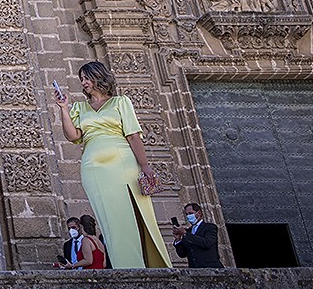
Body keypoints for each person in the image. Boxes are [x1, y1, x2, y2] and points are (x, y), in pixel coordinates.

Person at [53, 62, 171, 268]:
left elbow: (133, 136)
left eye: (87, 77)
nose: (84, 82)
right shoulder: (80, 108)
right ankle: (126, 266)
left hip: (123, 164)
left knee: (136, 215)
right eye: (81, 79)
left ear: (98, 77)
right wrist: (63, 108)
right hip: (93, 168)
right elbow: (73, 136)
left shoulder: (120, 102)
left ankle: (151, 265)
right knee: (110, 220)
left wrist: (145, 166)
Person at [172, 202, 224, 268]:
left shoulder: (209, 227)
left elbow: (207, 243)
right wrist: (178, 239)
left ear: (199, 213)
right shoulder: (188, 231)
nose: (188, 216)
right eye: (186, 214)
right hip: (195, 269)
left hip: (211, 268)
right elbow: (182, 254)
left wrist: (185, 233)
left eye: (190, 213)